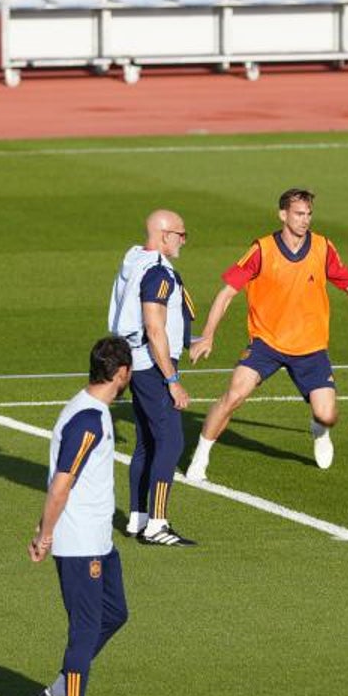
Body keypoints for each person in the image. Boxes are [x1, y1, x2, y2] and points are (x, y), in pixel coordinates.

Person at [184, 189, 348, 481]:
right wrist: (208, 335)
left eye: (308, 214)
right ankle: (200, 459)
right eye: (299, 214)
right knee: (234, 395)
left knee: (328, 415)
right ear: (283, 215)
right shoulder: (262, 249)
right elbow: (226, 293)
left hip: (311, 347)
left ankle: (319, 429)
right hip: (266, 343)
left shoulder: (323, 247)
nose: (305, 220)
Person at [30, 336, 133, 696]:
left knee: (114, 613)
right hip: (79, 543)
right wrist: (45, 533)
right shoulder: (87, 420)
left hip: (99, 539)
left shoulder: (94, 410)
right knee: (85, 629)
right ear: (121, 374)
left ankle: (57, 692)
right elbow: (61, 484)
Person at [108, 209, 198, 546]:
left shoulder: (135, 259)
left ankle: (137, 518)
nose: (183, 241)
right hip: (152, 365)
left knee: (147, 441)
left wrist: (190, 340)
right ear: (164, 235)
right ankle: (157, 524)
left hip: (138, 361)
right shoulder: (158, 273)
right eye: (180, 234)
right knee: (171, 442)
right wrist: (172, 379)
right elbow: (154, 326)